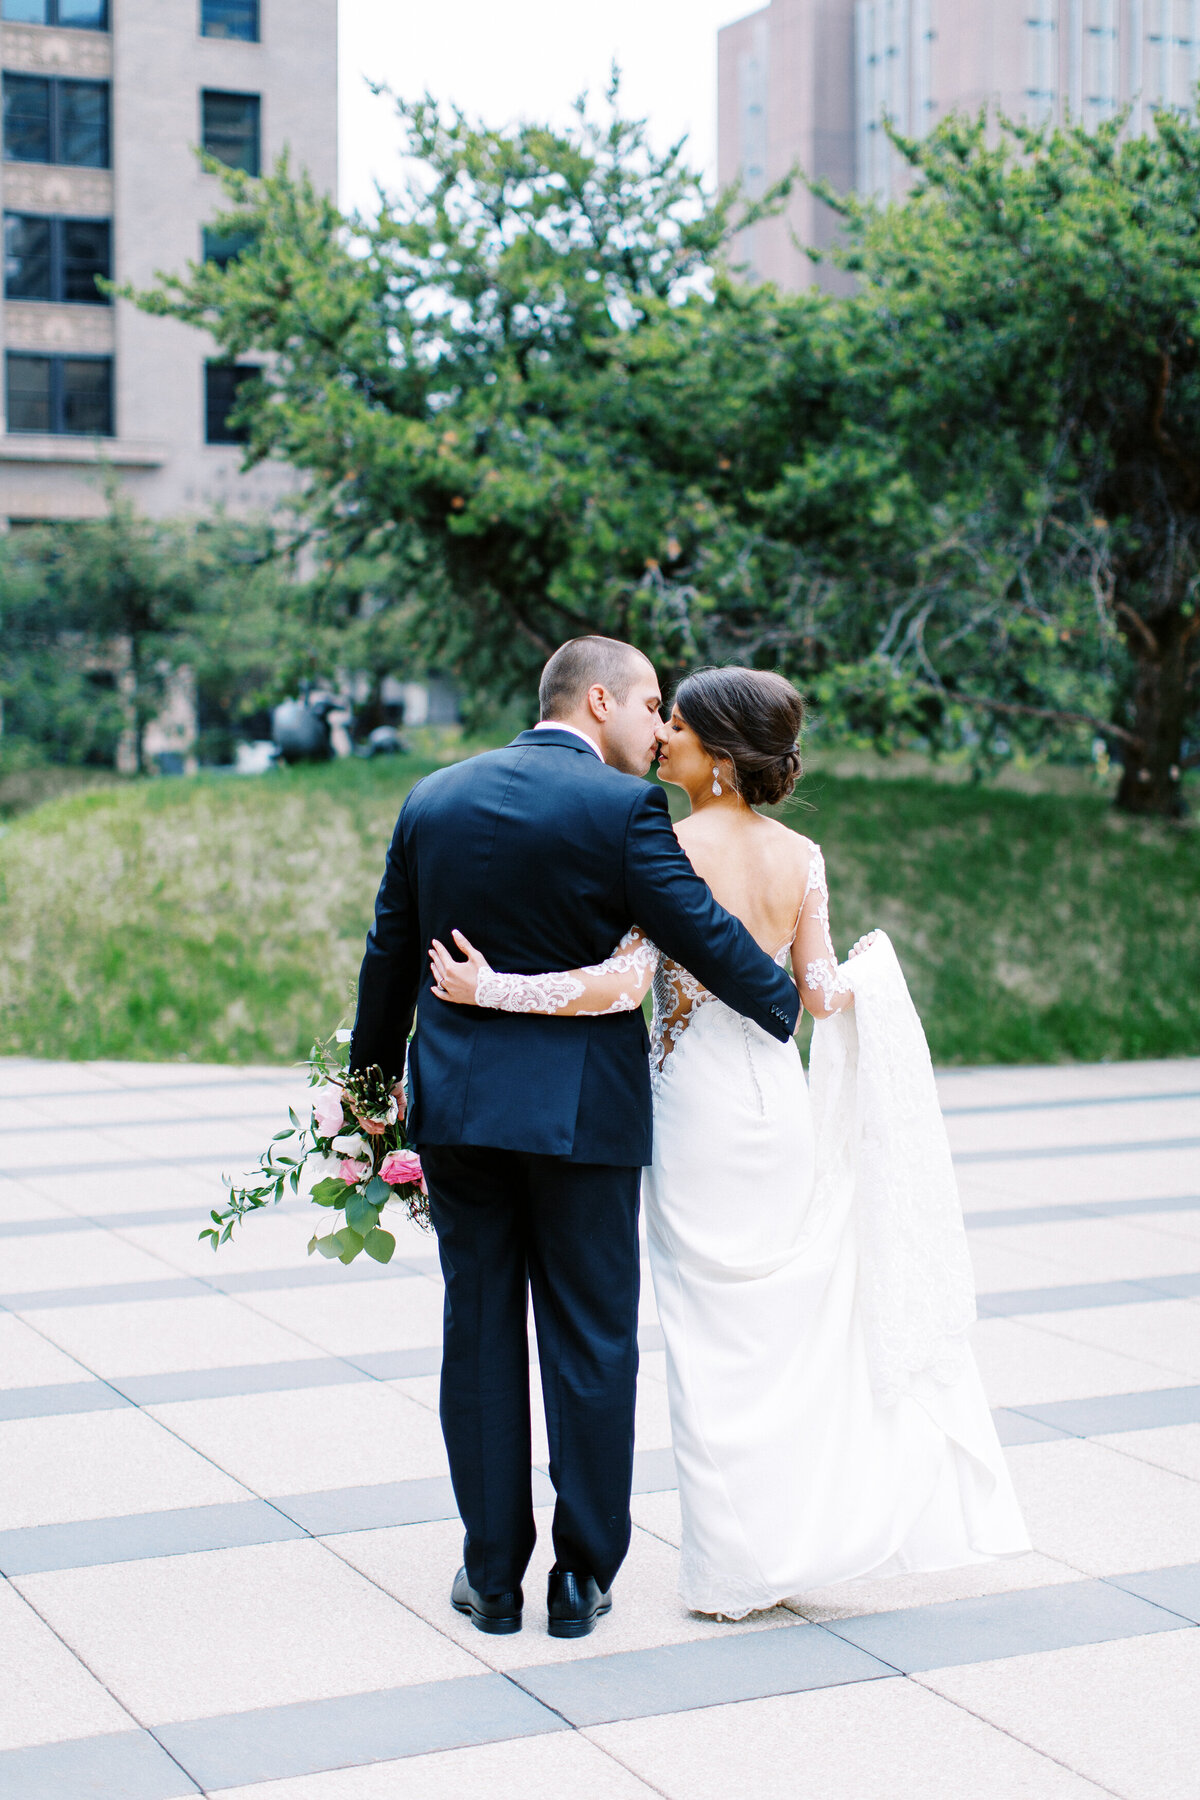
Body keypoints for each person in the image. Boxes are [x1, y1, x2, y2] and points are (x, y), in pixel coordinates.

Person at [431, 664, 1030, 1619]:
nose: (659, 733)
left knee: (711, 1343)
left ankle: (732, 1564)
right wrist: (876, 970)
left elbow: (622, 986)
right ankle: (788, 1542)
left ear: (715, 752)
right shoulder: (804, 855)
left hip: (694, 1115)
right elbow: (820, 997)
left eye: (676, 724)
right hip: (774, 1111)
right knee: (783, 1330)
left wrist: (490, 989)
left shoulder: (662, 844)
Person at [349, 639, 799, 1638]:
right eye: (649, 707)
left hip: (461, 1116)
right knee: (592, 1340)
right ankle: (583, 1580)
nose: (658, 730)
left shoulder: (433, 799)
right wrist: (784, 1002)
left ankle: (492, 1579)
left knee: (478, 1337)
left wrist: (367, 1096)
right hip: (584, 1121)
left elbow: (388, 954)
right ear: (599, 700)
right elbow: (698, 930)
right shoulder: (621, 809)